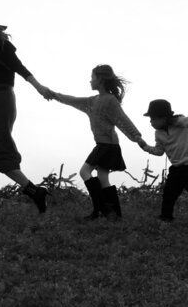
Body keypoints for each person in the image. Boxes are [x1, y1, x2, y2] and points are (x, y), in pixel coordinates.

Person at [0, 14, 52, 215]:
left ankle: (34, 191)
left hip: (1, 99)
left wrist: (39, 87)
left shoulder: (3, 48)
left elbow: (19, 67)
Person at [47, 65, 149, 219]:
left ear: (100, 80)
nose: (90, 81)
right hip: (106, 145)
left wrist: (137, 137)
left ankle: (100, 209)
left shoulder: (109, 100)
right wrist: (54, 95)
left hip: (107, 145)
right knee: (102, 177)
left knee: (84, 172)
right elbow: (72, 100)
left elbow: (123, 119)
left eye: (92, 77)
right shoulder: (92, 100)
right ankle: (114, 213)